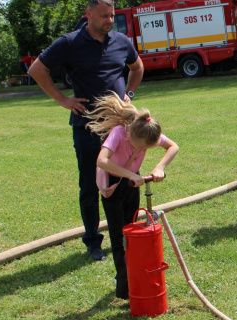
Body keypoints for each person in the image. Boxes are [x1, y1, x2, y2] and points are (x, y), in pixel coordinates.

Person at [28, 0, 144, 261]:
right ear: (88, 14)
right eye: (104, 16)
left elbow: (137, 68)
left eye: (112, 15)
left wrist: (129, 93)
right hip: (88, 128)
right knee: (91, 184)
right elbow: (37, 69)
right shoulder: (69, 43)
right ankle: (93, 241)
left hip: (120, 127)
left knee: (127, 178)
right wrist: (63, 100)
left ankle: (129, 233)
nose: (109, 20)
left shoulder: (122, 41)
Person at [86, 93, 179, 299]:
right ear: (131, 136)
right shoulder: (120, 133)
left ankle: (135, 277)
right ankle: (124, 287)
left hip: (132, 183)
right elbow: (102, 161)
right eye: (143, 148)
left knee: (133, 233)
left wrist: (159, 168)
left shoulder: (146, 130)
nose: (145, 151)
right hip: (113, 185)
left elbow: (173, 146)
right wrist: (128, 174)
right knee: (119, 237)